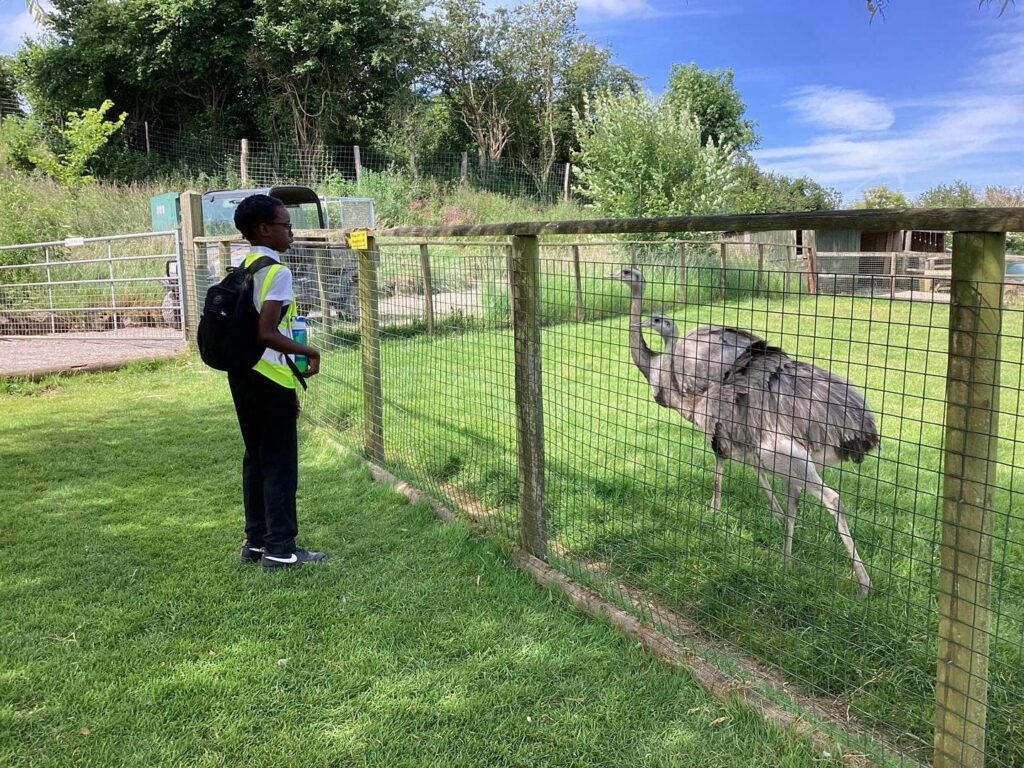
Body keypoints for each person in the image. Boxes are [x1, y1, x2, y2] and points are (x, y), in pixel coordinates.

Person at [230, 194, 326, 570]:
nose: (291, 231)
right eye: (286, 225)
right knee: (280, 465)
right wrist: (313, 352)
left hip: (243, 376)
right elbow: (267, 333)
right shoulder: (278, 272)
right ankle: (281, 549)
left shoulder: (245, 265)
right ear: (263, 229)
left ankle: (256, 543)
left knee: (256, 460)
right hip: (270, 377)